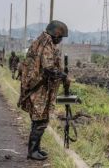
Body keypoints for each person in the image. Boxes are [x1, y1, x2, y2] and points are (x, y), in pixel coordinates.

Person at [17, 20, 69, 161]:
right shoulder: (46, 44)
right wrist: (62, 75)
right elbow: (48, 68)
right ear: (56, 35)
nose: (60, 40)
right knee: (40, 119)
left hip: (37, 87)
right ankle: (32, 151)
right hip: (39, 88)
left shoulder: (41, 41)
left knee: (39, 119)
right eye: (61, 37)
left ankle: (36, 149)